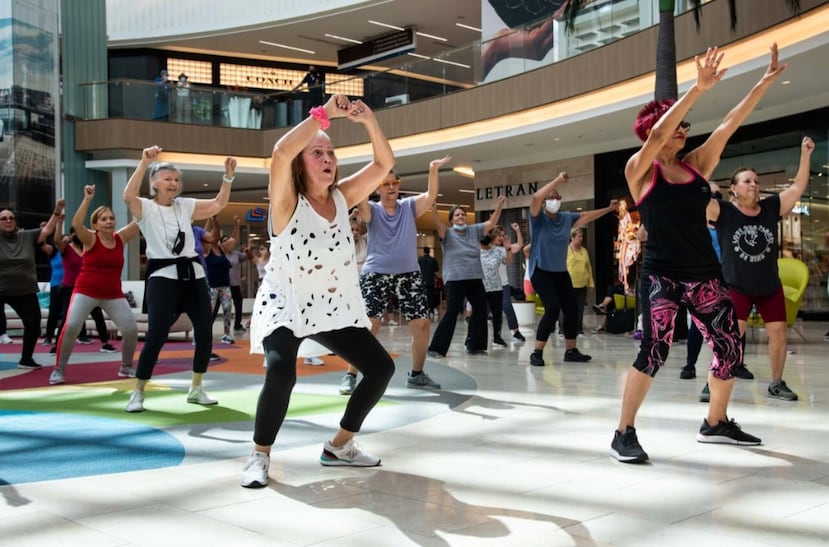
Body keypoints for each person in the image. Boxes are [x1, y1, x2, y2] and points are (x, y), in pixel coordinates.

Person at [610, 44, 786, 463]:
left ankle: (715, 422)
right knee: (653, 350)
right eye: (677, 125)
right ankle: (623, 432)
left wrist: (762, 84)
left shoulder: (693, 166)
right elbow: (656, 136)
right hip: (662, 276)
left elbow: (728, 125)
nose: (683, 130)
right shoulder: (639, 170)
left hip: (705, 275)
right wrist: (696, 89)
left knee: (729, 348)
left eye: (685, 124)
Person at [240, 94, 395, 489]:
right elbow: (279, 152)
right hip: (286, 301)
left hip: (329, 304)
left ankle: (340, 445)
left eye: (331, 152)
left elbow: (383, 164)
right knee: (280, 371)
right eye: (317, 153)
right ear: (300, 163)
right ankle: (259, 455)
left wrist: (370, 121)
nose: (328, 158)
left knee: (380, 368)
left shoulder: (343, 198)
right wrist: (323, 114)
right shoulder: (287, 201)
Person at [122, 146, 235, 413]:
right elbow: (128, 196)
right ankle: (138, 391)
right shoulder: (145, 208)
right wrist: (143, 162)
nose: (173, 183)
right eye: (167, 178)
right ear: (154, 183)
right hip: (163, 276)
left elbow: (219, 204)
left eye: (176, 180)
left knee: (205, 332)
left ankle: (196, 387)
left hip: (194, 275)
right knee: (156, 334)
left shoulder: (185, 206)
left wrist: (228, 177)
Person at [702, 136, 815, 402]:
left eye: (756, 181)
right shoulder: (723, 211)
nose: (754, 184)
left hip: (768, 285)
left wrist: (806, 154)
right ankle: (714, 380)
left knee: (778, 333)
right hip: (737, 285)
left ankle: (776, 383)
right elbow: (694, 198)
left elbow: (798, 186)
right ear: (733, 189)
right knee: (730, 336)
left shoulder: (770, 207)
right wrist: (703, 170)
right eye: (747, 181)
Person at [48, 185, 141, 385]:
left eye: (111, 218)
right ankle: (59, 369)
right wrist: (87, 198)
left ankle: (126, 367)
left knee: (131, 329)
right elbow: (76, 223)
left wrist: (139, 200)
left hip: (113, 293)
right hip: (86, 291)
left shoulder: (121, 238)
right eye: (104, 219)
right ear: (96, 224)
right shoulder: (90, 238)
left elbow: (140, 220)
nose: (109, 222)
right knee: (72, 325)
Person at [526, 172, 617, 366]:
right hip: (541, 271)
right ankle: (536, 352)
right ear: (544, 203)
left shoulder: (566, 218)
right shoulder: (538, 219)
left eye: (557, 197)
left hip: (560, 272)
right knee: (552, 309)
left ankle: (571, 350)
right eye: (550, 197)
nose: (554, 200)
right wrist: (557, 180)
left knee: (572, 309)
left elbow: (586, 216)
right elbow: (535, 197)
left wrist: (609, 209)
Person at [427, 197, 505, 357]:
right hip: (455, 280)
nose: (461, 216)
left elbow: (491, 223)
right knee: (452, 313)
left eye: (463, 214)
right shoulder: (447, 233)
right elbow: (439, 225)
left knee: (481, 309)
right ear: (451, 219)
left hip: (474, 278)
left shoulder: (474, 230)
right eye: (457, 215)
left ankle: (475, 345)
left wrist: (499, 207)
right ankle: (436, 348)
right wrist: (434, 210)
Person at [0, 200, 65, 369]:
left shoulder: (26, 236)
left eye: (11, 218)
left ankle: (26, 359)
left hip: (25, 290)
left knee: (34, 324)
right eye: (4, 218)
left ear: (15, 221)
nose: (8, 221)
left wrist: (57, 211)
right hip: (1, 289)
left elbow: (47, 230)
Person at [225, 215, 252, 333]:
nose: (228, 243)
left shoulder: (236, 254)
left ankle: (237, 324)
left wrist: (248, 249)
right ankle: (209, 325)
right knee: (221, 306)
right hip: (223, 284)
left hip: (235, 284)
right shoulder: (220, 254)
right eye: (225, 241)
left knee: (238, 305)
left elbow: (247, 257)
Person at [566, 226, 594, 335]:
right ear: (572, 238)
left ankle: (578, 329)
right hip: (569, 284)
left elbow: (588, 267)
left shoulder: (584, 251)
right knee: (568, 308)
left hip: (582, 284)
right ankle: (564, 329)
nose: (581, 238)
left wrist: (590, 282)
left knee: (580, 308)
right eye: (578, 236)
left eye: (582, 236)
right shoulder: (566, 250)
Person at [418, 246, 440, 317]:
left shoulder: (419, 260)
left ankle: (423, 310)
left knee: (422, 296)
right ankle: (431, 310)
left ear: (423, 251)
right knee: (431, 296)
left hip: (422, 281)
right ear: (429, 251)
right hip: (430, 281)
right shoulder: (433, 260)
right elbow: (436, 272)